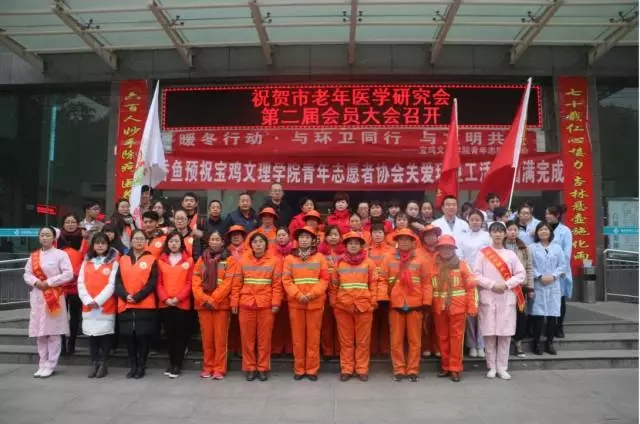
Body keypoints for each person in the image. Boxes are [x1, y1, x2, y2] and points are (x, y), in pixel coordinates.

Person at [474, 222, 526, 380]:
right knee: (489, 334)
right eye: (494, 231)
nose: (497, 234)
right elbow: (476, 275)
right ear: (490, 234)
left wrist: (506, 284)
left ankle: (502, 367)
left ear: (505, 234)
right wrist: (492, 284)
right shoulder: (483, 253)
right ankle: (491, 366)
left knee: (505, 334)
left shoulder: (510, 254)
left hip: (506, 296)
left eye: (500, 231)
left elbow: (521, 274)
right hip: (488, 296)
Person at [379, 229, 431, 382]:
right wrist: (383, 298)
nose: (404, 242)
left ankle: (413, 369)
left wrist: (427, 301)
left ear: (413, 242)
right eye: (401, 239)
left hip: (415, 305)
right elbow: (382, 280)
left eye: (407, 239)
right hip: (395, 305)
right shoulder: (388, 259)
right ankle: (399, 369)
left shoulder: (420, 260)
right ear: (396, 242)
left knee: (415, 341)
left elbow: (426, 283)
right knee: (396, 341)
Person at [230, 233, 283, 382]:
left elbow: (277, 285)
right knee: (247, 339)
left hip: (266, 305)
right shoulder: (242, 260)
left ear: (266, 245)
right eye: (255, 242)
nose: (258, 244)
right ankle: (250, 368)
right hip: (246, 303)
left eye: (261, 242)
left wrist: (276, 303)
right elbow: (236, 284)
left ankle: (262, 368)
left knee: (264, 339)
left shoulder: (274, 261)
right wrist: (234, 302)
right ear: (251, 245)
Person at [23, 226, 73, 378]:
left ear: (54, 238)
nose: (44, 238)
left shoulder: (61, 255)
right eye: (42, 235)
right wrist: (36, 282)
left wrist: (50, 282)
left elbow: (68, 274)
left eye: (47, 235)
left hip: (54, 296)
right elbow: (27, 273)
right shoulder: (34, 256)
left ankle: (51, 364)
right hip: (38, 296)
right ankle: (42, 363)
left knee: (53, 332)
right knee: (40, 333)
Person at [282, 226, 329, 381]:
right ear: (297, 240)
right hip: (296, 303)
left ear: (313, 241)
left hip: (315, 303)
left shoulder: (320, 258)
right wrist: (298, 295)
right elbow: (286, 280)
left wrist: (311, 294)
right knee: (298, 338)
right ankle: (299, 369)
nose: (304, 240)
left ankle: (312, 370)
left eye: (307, 237)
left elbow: (324, 279)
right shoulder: (289, 259)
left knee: (313, 338)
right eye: (301, 237)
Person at [331, 231, 377, 382]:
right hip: (343, 307)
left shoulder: (369, 263)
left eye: (356, 243)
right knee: (346, 341)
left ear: (361, 246)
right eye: (350, 243)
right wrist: (334, 302)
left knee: (363, 341)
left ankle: (362, 369)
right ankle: (347, 369)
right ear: (345, 246)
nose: (353, 246)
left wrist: (372, 302)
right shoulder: (339, 263)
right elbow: (334, 285)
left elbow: (374, 284)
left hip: (364, 306)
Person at [430, 235, 476, 382]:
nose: (446, 250)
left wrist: (472, 306)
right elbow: (428, 286)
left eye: (449, 247)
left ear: (454, 249)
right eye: (443, 247)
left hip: (458, 307)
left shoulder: (462, 265)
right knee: (442, 337)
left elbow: (471, 287)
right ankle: (445, 366)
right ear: (438, 249)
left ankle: (455, 368)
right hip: (439, 307)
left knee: (456, 338)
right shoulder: (433, 265)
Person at [115, 229, 158, 379]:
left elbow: (152, 282)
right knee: (128, 337)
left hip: (144, 304)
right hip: (125, 303)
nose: (139, 242)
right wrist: (125, 295)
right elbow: (117, 281)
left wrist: (138, 297)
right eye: (136, 239)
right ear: (131, 241)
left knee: (142, 336)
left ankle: (141, 366)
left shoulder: (151, 259)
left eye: (141, 239)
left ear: (146, 241)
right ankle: (133, 365)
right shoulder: (123, 259)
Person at [77, 232, 119, 379]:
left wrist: (98, 301)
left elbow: (111, 285)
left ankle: (103, 363)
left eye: (103, 243)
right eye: (97, 243)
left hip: (105, 306)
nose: (100, 246)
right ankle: (94, 362)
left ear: (108, 245)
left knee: (105, 335)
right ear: (93, 245)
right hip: (88, 305)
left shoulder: (113, 263)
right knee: (92, 335)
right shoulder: (86, 262)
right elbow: (80, 283)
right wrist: (88, 300)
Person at [192, 231, 233, 379]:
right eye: (212, 239)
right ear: (208, 242)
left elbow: (228, 283)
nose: (214, 242)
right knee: (207, 339)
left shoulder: (229, 260)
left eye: (217, 239)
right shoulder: (201, 260)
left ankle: (219, 368)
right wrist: (204, 299)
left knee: (220, 339)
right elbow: (195, 282)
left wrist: (213, 300)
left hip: (221, 305)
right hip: (204, 305)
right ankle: (208, 366)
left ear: (222, 242)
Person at [157, 231, 194, 378]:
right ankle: (171, 362)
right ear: (167, 243)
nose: (174, 244)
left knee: (180, 335)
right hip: (166, 304)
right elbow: (159, 283)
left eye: (177, 241)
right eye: (171, 241)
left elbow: (189, 283)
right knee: (169, 335)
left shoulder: (189, 261)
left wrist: (178, 298)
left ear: (181, 243)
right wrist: (165, 298)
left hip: (182, 304)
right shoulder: (161, 261)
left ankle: (177, 364)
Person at [459, 210, 491, 359]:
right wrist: (468, 272)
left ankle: (481, 345)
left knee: (483, 312)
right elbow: (460, 256)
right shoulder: (463, 237)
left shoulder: (487, 237)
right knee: (470, 312)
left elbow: (491, 257)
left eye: (477, 219)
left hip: (484, 278)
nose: (475, 222)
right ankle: (471, 344)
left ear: (482, 221)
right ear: (468, 220)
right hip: (468, 278)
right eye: (472, 219)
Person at [529, 222, 565, 356]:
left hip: (553, 284)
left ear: (550, 232)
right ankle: (536, 342)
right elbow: (529, 265)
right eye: (541, 230)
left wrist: (553, 276)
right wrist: (539, 276)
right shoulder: (532, 248)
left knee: (552, 315)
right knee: (538, 315)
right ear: (537, 233)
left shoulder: (557, 248)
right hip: (538, 284)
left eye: (546, 229)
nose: (543, 232)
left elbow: (562, 265)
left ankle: (549, 343)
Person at [57, 213, 88, 356]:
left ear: (77, 224)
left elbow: (86, 259)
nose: (70, 224)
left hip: (76, 284)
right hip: (60, 285)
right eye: (67, 222)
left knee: (75, 317)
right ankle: (62, 344)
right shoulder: (57, 240)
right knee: (61, 316)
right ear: (63, 224)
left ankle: (72, 344)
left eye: (73, 222)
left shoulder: (84, 239)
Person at [504, 220, 534, 357]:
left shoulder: (524, 247)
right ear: (505, 231)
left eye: (515, 230)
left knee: (520, 314)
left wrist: (530, 287)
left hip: (520, 287)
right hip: (504, 286)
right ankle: (504, 343)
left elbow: (529, 268)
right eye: (510, 229)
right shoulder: (500, 246)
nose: (512, 232)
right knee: (505, 314)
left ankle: (518, 343)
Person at [546, 205, 573, 338]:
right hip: (546, 270)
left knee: (560, 299)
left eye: (549, 214)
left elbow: (567, 253)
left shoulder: (565, 231)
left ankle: (559, 326)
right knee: (547, 299)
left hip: (559, 271)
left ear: (557, 215)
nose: (546, 216)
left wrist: (560, 269)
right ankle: (549, 326)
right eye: (546, 214)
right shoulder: (544, 229)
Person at [317, 225, 344, 359]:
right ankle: (327, 351)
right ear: (325, 237)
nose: (333, 237)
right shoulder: (319, 254)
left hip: (341, 291)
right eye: (330, 235)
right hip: (324, 291)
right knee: (326, 323)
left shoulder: (345, 253)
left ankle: (339, 350)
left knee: (341, 323)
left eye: (335, 234)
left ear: (340, 237)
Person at [367, 223, 394, 356]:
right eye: (375, 232)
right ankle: (372, 348)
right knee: (372, 321)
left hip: (386, 289)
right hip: (370, 289)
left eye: (380, 232)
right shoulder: (366, 250)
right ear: (371, 234)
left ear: (384, 234)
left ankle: (385, 348)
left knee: (385, 321)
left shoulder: (391, 250)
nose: (377, 235)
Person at [417, 225, 442, 358]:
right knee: (425, 321)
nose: (430, 238)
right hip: (422, 290)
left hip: (440, 290)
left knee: (438, 321)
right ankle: (426, 346)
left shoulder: (442, 251)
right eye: (427, 235)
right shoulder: (417, 252)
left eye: (433, 235)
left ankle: (437, 346)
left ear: (437, 237)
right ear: (423, 238)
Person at [225, 224, 248, 355]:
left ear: (243, 237)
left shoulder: (249, 252)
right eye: (233, 235)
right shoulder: (225, 252)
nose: (236, 237)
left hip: (243, 290)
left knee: (242, 324)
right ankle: (230, 348)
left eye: (238, 234)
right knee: (229, 324)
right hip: (226, 291)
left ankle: (240, 348)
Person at [272, 227, 294, 356]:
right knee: (278, 323)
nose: (281, 237)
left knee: (291, 323)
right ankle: (277, 348)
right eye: (279, 235)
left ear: (289, 236)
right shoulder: (271, 252)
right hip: (276, 291)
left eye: (284, 235)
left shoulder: (295, 252)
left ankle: (290, 348)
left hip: (291, 291)